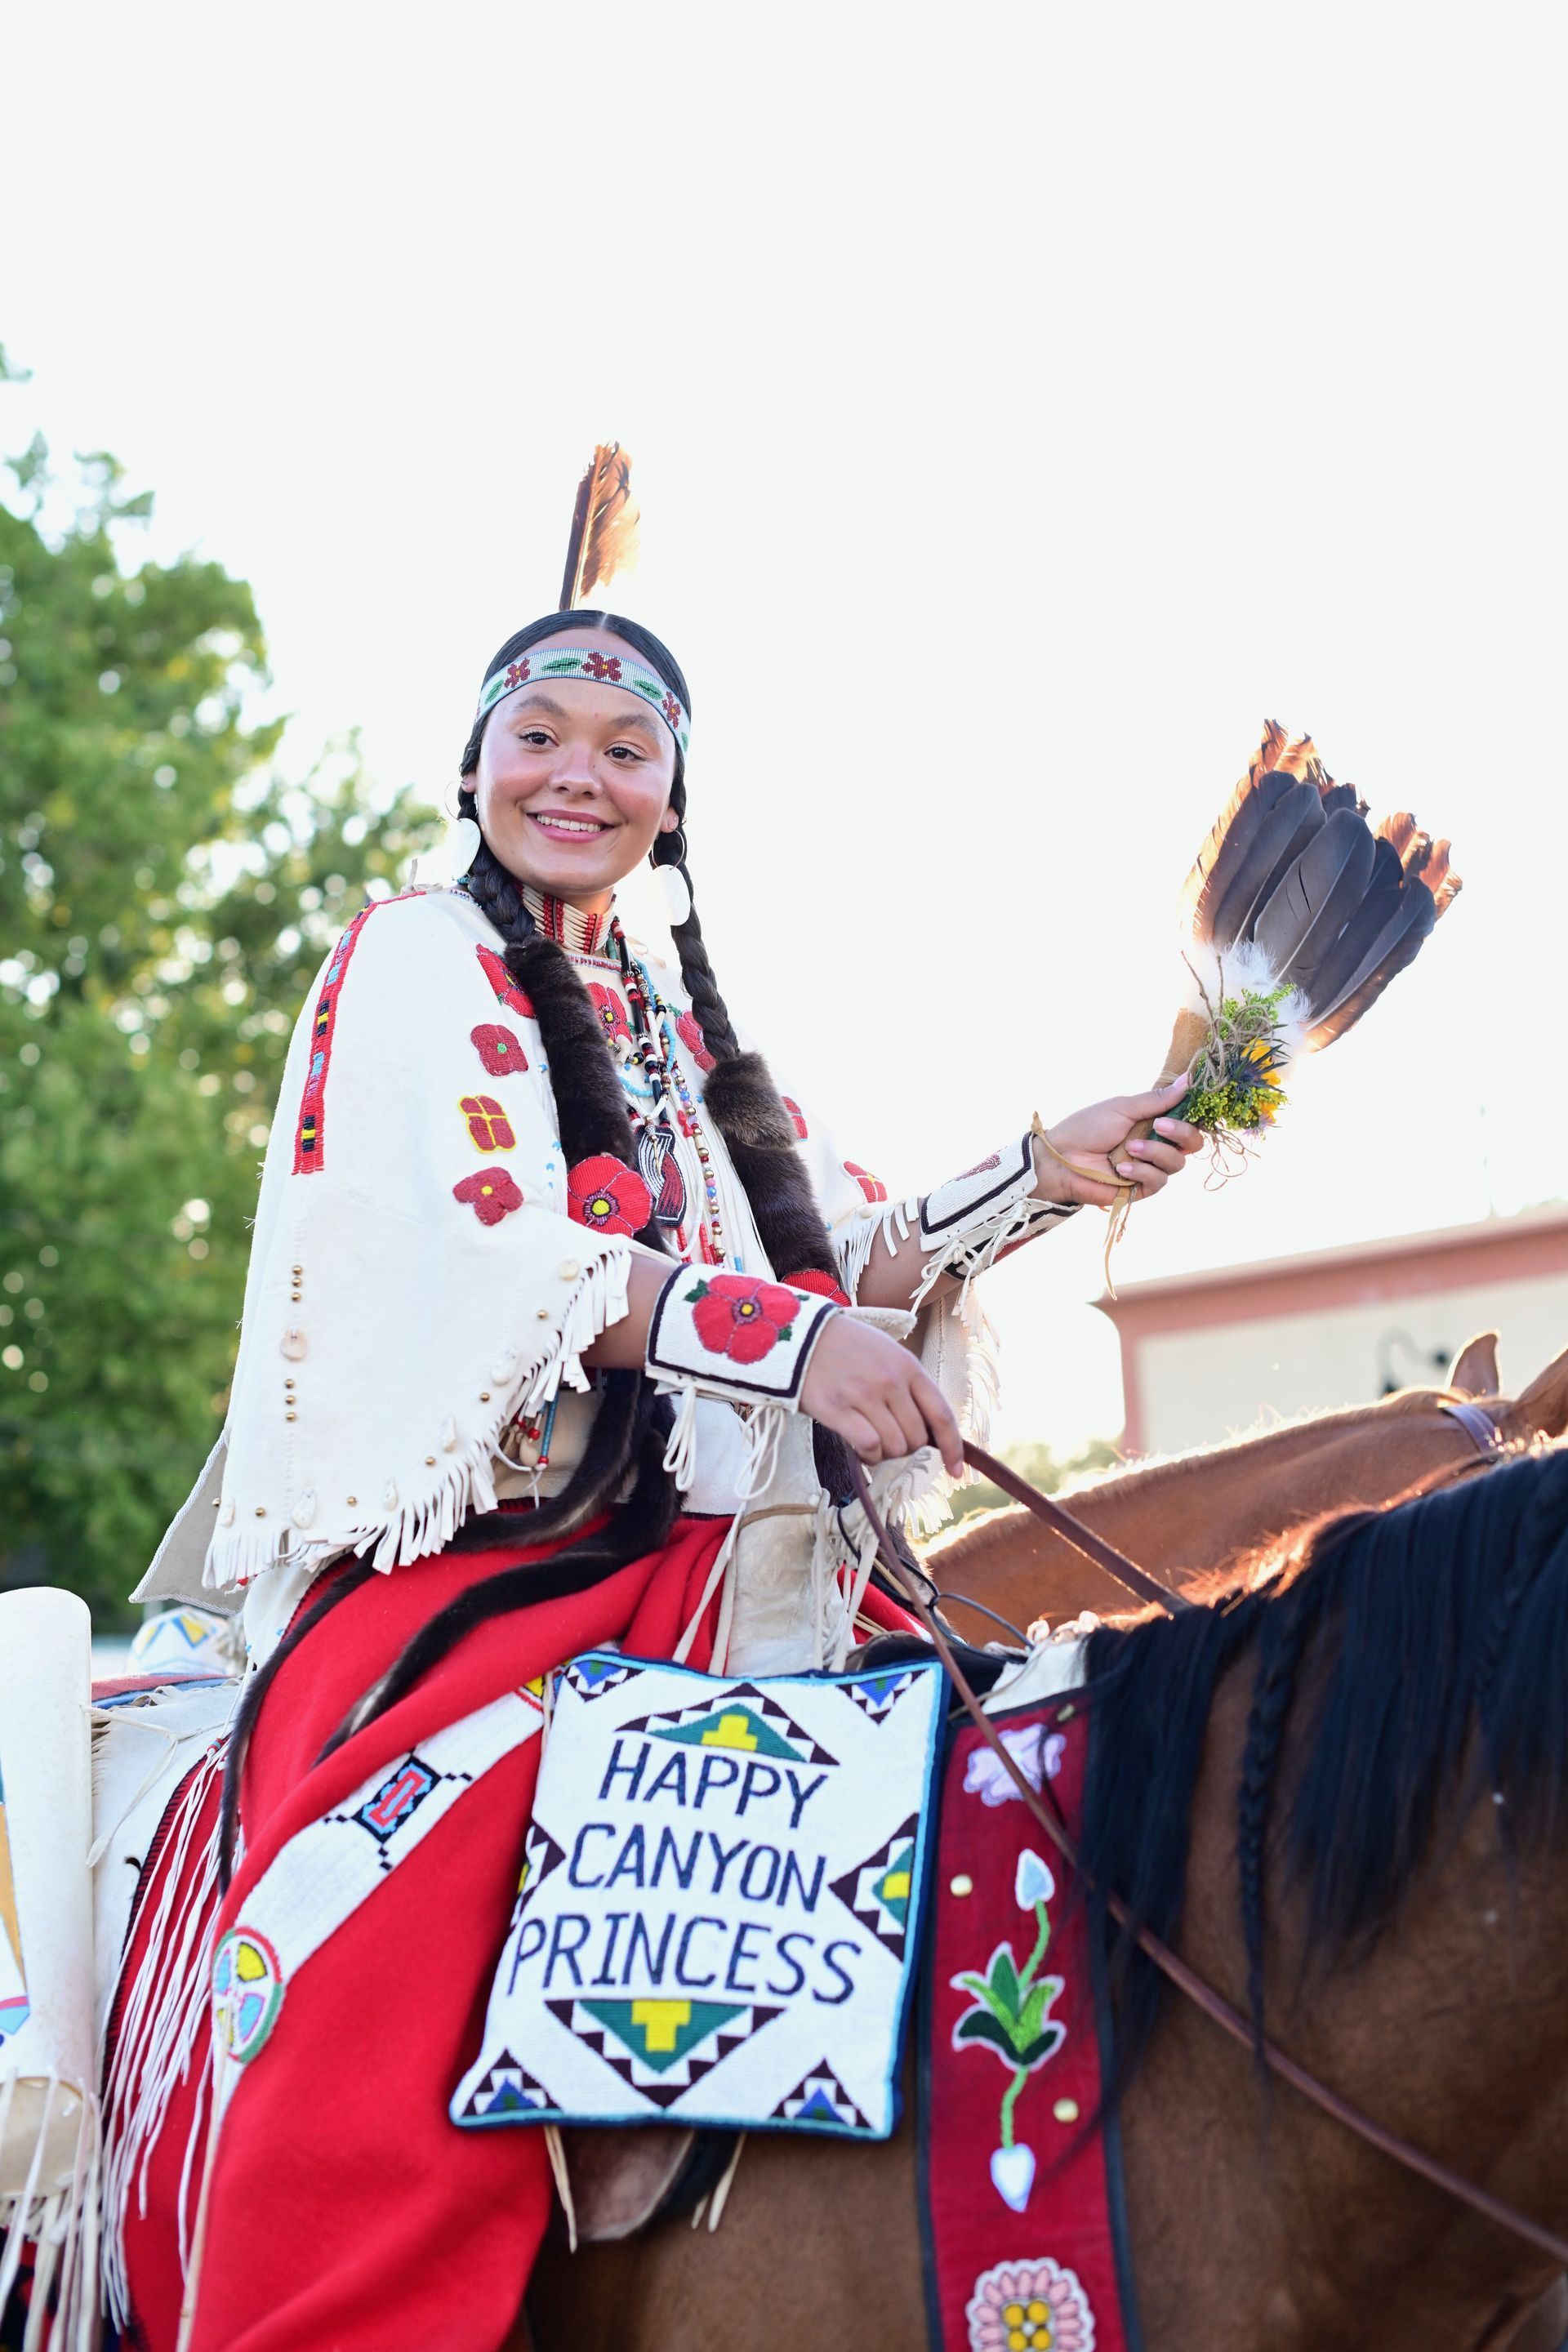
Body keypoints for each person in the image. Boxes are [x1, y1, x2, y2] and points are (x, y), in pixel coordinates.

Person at [114, 608, 1201, 2351]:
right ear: (473, 764)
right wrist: (788, 1345)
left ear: (674, 802)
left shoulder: (683, 1035)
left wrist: (1041, 1172)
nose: (579, 776)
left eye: (627, 751)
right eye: (538, 733)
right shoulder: (413, 957)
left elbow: (832, 1260)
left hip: (724, 1568)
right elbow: (484, 1253)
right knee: (400, 1933)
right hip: (481, 1592)